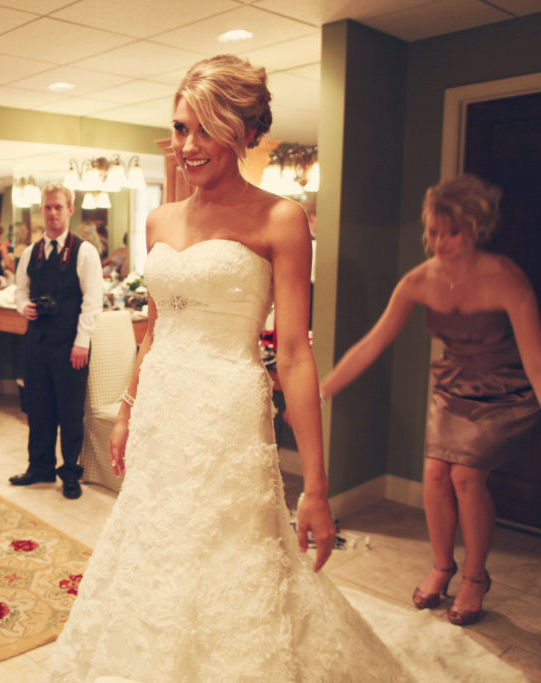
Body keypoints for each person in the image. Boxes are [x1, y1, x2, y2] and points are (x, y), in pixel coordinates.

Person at [48, 56, 413, 681]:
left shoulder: (281, 218)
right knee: (152, 548)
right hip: (162, 408)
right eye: (180, 128)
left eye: (204, 129)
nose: (187, 147)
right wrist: (128, 410)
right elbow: (156, 330)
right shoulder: (160, 220)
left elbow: (295, 354)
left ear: (244, 133)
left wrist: (318, 490)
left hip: (227, 413)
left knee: (231, 563)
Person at [321, 175, 540, 626]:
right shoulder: (418, 280)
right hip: (452, 389)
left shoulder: (507, 280)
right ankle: (443, 567)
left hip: (504, 394)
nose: (440, 242)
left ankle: (476, 578)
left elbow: (536, 361)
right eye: (433, 231)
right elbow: (371, 343)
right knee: (435, 475)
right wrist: (323, 388)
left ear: (475, 229)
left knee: (464, 475)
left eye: (452, 232)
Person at [9, 182, 103, 499]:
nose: (52, 213)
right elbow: (19, 291)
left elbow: (93, 301)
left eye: (58, 207)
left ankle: (70, 473)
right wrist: (25, 307)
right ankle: (40, 467)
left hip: (69, 343)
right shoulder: (30, 252)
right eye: (47, 207)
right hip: (35, 340)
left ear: (70, 210)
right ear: (41, 210)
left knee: (70, 412)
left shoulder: (84, 251)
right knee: (38, 409)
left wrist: (82, 342)